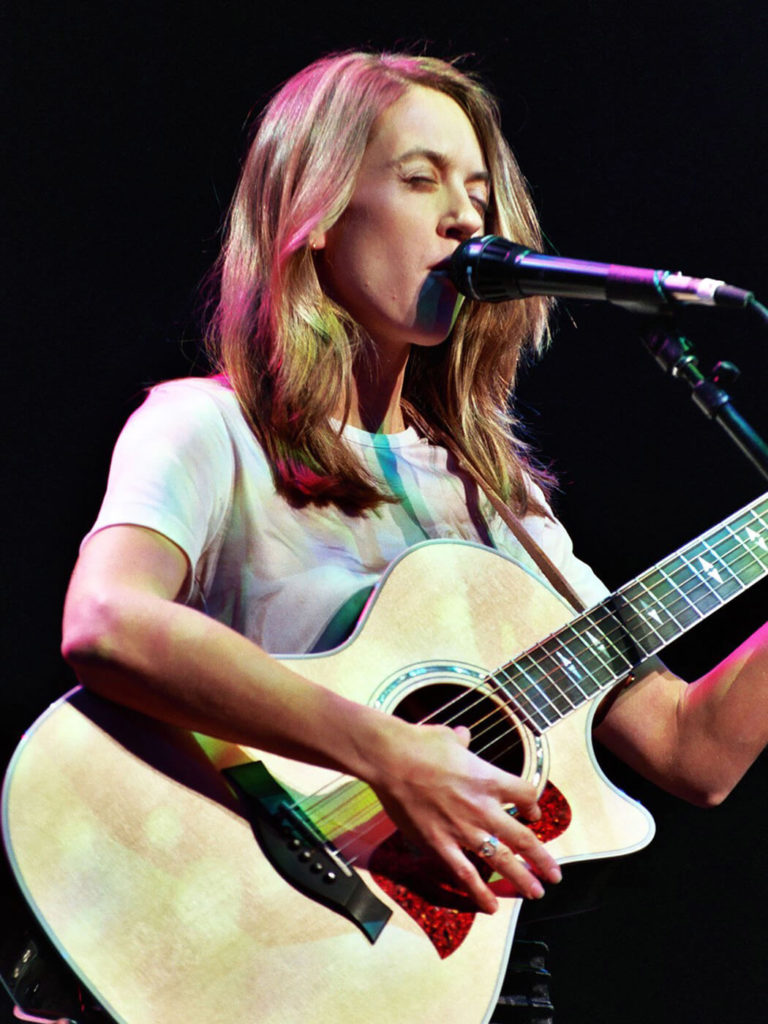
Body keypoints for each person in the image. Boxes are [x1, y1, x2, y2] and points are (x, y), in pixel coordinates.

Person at [60, 51, 768, 1022]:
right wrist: (387, 751)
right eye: (421, 178)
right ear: (314, 213)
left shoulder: (496, 498)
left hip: (454, 974)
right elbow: (107, 620)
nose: (467, 219)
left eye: (480, 191)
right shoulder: (205, 428)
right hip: (230, 930)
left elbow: (691, 751)